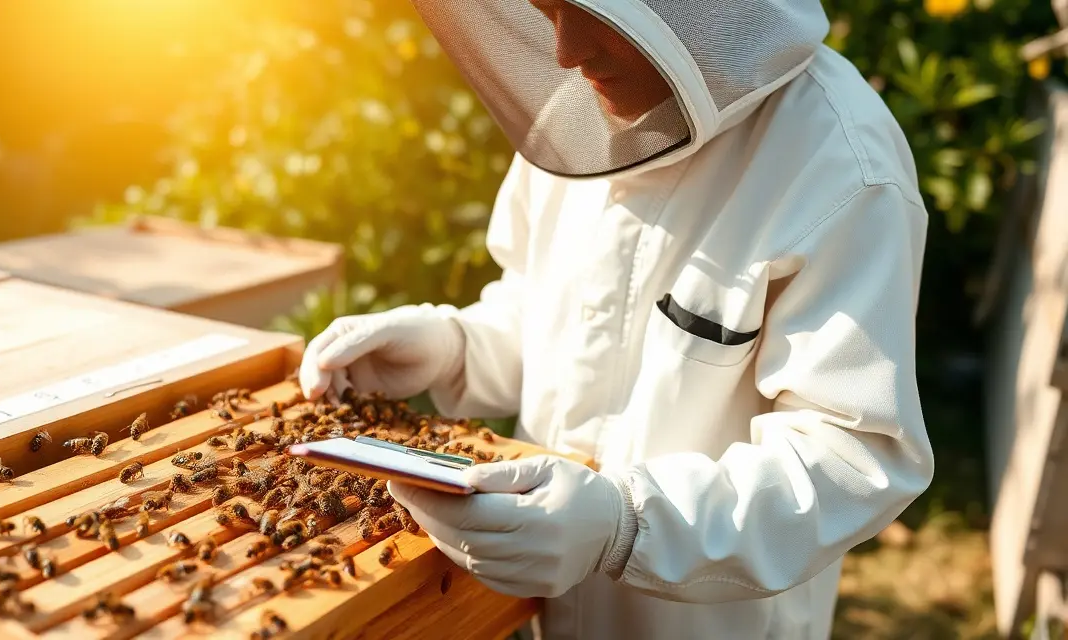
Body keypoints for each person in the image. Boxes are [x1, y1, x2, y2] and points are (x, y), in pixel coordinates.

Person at [299, 0, 935, 637]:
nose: (568, 52)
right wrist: (455, 345)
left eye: (593, 11)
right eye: (549, 9)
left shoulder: (843, 167)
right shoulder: (578, 118)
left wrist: (628, 521)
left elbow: (850, 457)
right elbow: (546, 310)